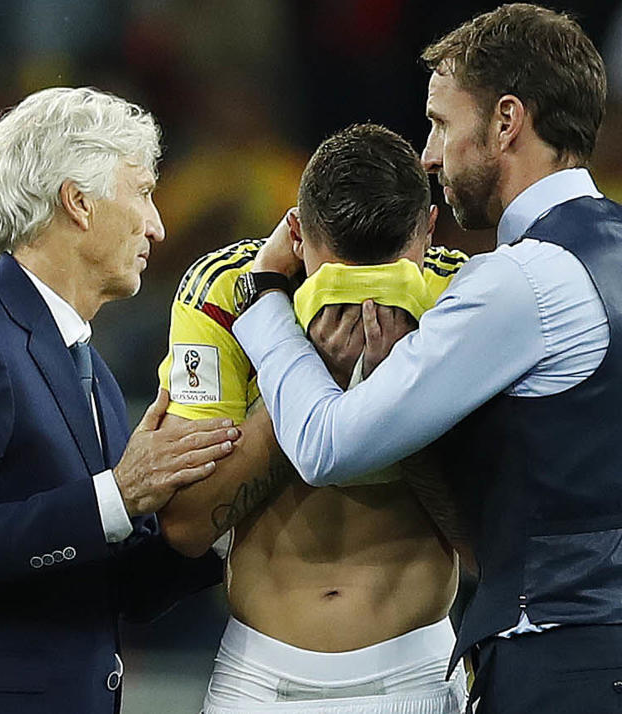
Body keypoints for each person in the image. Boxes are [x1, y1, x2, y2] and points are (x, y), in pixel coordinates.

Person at [230, 5, 622, 714]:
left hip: (571, 664)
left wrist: (264, 302)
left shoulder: (518, 279)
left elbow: (325, 442)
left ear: (505, 121)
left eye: (439, 123)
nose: (428, 156)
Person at [0, 87, 241, 714]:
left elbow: (118, 591)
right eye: (144, 192)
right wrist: (116, 497)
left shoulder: (85, 364)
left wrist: (223, 506)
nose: (158, 225)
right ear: (79, 203)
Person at [155, 124, 470, 713]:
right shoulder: (225, 294)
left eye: (386, 273)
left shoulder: (462, 294)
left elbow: (486, 548)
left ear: (429, 229)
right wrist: (302, 376)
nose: (362, 301)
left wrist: (405, 395)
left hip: (416, 674)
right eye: (340, 275)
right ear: (296, 233)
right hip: (259, 678)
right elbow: (187, 525)